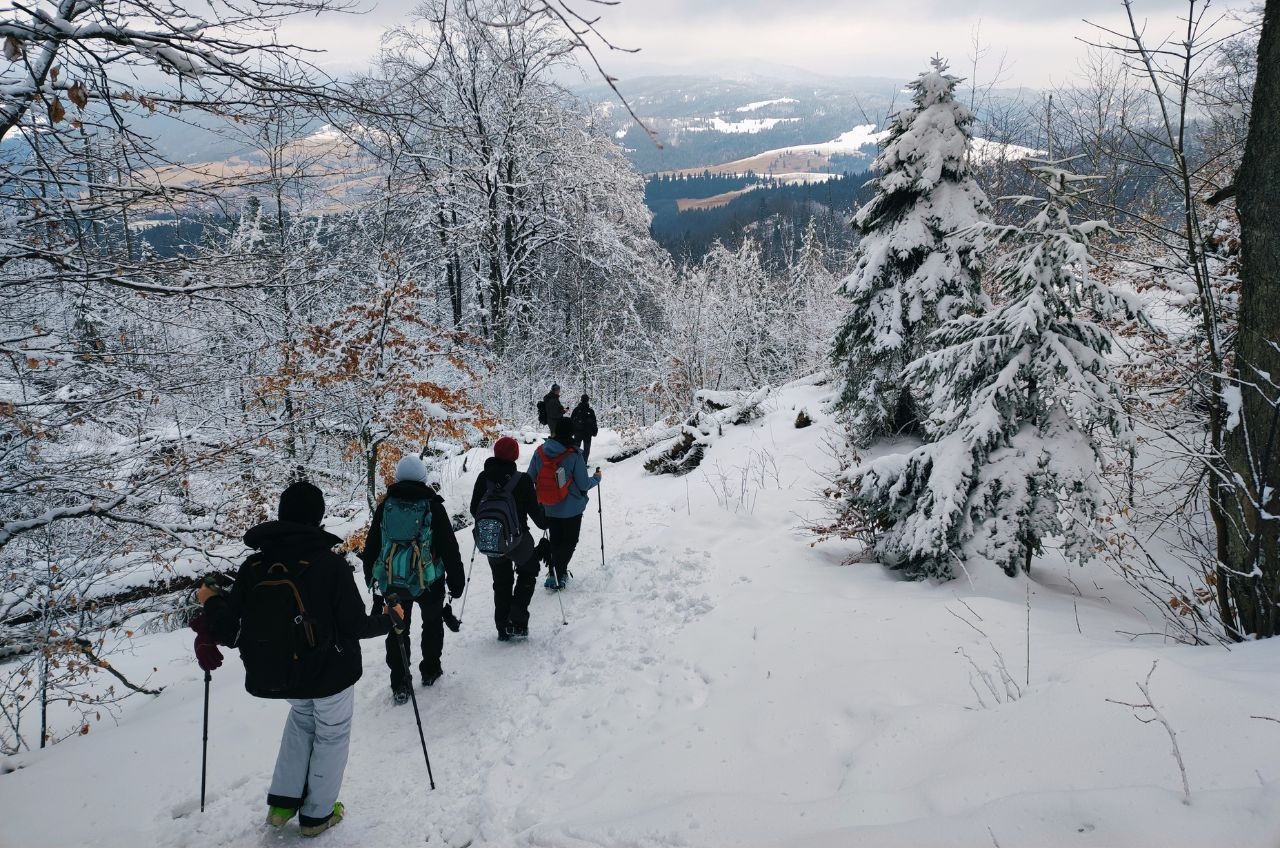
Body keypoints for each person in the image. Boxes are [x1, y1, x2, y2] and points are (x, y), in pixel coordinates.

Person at [194, 481, 401, 838]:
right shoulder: (329, 565)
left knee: (302, 722)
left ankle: (283, 804)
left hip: (282, 673)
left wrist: (211, 600)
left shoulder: (255, 566)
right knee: (331, 735)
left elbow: (230, 628)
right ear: (318, 518)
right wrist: (392, 619)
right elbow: (354, 625)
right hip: (331, 675)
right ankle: (318, 815)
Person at [361, 455, 464, 703]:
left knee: (398, 630)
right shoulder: (432, 506)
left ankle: (400, 682)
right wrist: (456, 582)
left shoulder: (386, 506)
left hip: (393, 581)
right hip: (429, 581)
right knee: (431, 624)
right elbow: (449, 547)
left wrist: (370, 577)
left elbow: (373, 543)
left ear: (397, 477)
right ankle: (430, 670)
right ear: (423, 478)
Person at [469, 436, 547, 640]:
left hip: (492, 539)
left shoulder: (482, 478)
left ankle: (502, 627)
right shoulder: (522, 480)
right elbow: (538, 518)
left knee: (501, 582)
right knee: (529, 570)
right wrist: (544, 516)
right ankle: (517, 620)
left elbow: (472, 510)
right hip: (519, 540)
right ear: (515, 455)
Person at [527, 416, 602, 590]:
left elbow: (530, 477)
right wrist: (596, 479)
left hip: (548, 506)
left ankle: (556, 572)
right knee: (569, 542)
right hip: (572, 509)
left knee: (556, 540)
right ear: (572, 433)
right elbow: (583, 484)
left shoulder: (539, 452)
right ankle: (557, 572)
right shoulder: (574, 454)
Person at [570, 394, 599, 463]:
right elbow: (594, 423)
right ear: (588, 400)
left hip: (577, 433)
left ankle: (575, 463)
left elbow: (571, 421)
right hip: (587, 434)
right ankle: (584, 463)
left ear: (581, 399)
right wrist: (595, 432)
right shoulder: (590, 411)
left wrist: (571, 431)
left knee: (576, 449)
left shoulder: (576, 410)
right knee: (586, 450)